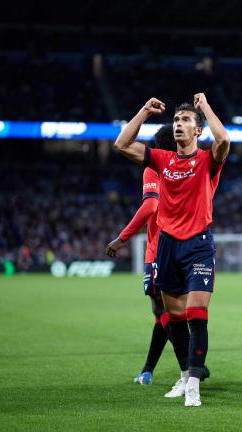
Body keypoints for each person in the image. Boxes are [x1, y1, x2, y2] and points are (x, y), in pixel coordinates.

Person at [114, 94, 230, 407]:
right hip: (166, 245)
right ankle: (183, 373)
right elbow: (122, 145)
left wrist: (204, 107)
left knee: (196, 313)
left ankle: (193, 384)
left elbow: (224, 139)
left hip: (198, 245)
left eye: (185, 121)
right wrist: (143, 112)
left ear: (198, 130)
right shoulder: (162, 160)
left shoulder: (208, 160)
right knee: (174, 316)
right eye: (177, 120)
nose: (179, 124)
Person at [105, 124, 172, 385]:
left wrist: (122, 238)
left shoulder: (154, 167)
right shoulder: (187, 169)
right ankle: (148, 370)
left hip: (159, 250)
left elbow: (150, 206)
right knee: (167, 313)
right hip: (185, 247)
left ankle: (191, 363)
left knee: (161, 310)